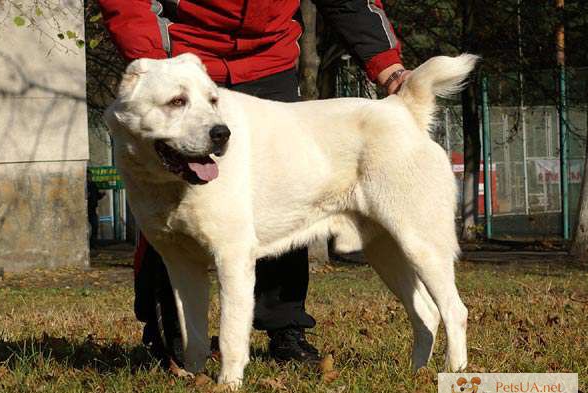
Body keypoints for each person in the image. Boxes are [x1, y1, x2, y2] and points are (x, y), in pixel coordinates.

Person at [99, 0, 410, 368]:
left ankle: (285, 329)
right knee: (166, 207)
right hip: (183, 59)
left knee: (288, 192)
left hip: (270, 61)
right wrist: (155, 65)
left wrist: (386, 65)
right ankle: (174, 337)